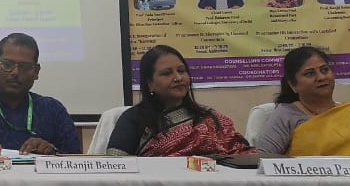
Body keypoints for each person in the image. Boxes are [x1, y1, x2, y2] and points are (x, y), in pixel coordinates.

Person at [106, 46, 249, 156]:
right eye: (167, 73)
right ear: (150, 83)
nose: (178, 78)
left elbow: (241, 155)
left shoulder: (208, 117)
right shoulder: (133, 119)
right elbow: (116, 166)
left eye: (181, 71)